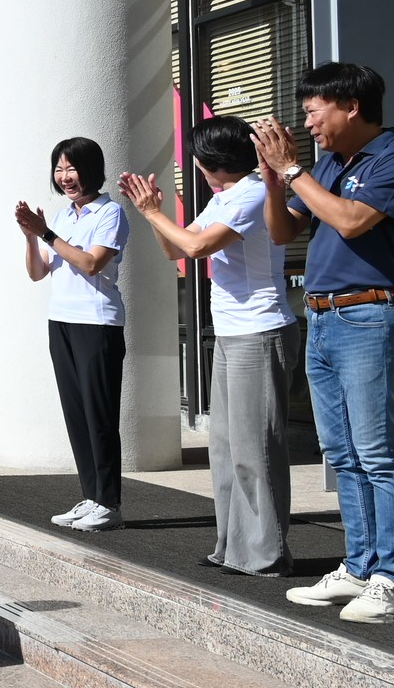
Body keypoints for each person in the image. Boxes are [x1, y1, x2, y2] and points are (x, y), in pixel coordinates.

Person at [257, 63, 394, 624]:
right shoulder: (328, 163)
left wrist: (292, 170)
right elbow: (284, 232)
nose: (307, 123)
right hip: (323, 318)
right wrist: (271, 177)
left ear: (350, 107)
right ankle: (359, 567)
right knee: (343, 455)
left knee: (379, 454)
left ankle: (393, 583)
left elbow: (352, 221)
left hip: (371, 316)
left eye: (314, 110)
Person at [120, 118, 298, 577]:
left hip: (260, 332)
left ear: (207, 163)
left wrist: (155, 214)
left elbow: (197, 247)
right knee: (224, 446)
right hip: (232, 334)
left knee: (255, 448)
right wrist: (153, 212)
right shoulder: (227, 197)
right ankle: (234, 546)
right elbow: (175, 251)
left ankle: (267, 553)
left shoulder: (255, 194)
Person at [15, 137, 129, 533]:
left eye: (72, 168)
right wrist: (32, 236)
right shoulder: (63, 217)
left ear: (91, 169)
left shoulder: (110, 212)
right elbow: (37, 272)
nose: (65, 177)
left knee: (99, 415)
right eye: (59, 169)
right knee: (76, 414)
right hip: (60, 320)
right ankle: (91, 495)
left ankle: (109, 503)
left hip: (97, 323)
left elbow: (92, 262)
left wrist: (46, 233)